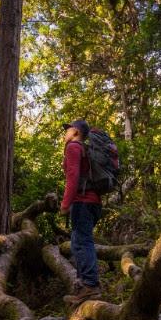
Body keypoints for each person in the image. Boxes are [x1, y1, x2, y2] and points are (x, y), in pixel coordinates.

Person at [60, 119, 102, 305]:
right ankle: (84, 286)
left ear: (76, 132)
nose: (66, 132)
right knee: (79, 242)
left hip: (82, 202)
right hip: (94, 202)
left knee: (82, 242)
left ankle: (90, 286)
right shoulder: (85, 149)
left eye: (68, 129)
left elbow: (73, 177)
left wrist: (65, 204)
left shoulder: (73, 147)